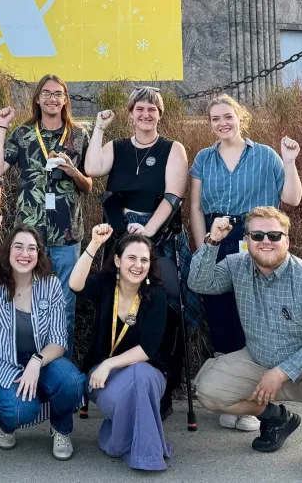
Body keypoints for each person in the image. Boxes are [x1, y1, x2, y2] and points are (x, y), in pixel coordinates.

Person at [189, 207, 302, 481]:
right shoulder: (238, 265)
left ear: (287, 240)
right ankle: (276, 418)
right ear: (247, 239)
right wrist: (212, 241)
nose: (266, 241)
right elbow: (199, 282)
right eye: (258, 235)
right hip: (258, 360)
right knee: (209, 393)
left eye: (274, 234)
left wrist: (281, 372)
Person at [188, 93, 302, 433]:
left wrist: (290, 161)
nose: (222, 123)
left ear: (240, 118)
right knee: (220, 312)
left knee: (253, 314)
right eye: (215, 118)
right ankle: (228, 395)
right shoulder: (203, 159)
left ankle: (254, 401)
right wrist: (202, 248)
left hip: (257, 241)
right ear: (209, 124)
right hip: (218, 238)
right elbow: (194, 207)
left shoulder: (266, 156)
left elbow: (292, 199)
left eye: (228, 116)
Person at [84, 86, 197, 415]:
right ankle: (116, 376)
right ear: (131, 113)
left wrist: (147, 233)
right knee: (114, 306)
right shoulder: (116, 147)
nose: (146, 114)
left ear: (160, 114)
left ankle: (163, 382)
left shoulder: (172, 149)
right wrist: (100, 128)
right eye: (140, 109)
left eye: (152, 109)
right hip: (119, 239)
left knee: (168, 305)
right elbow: (92, 169)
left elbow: (173, 195)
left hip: (159, 238)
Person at [0, 216, 86, 459]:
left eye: (32, 248)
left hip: (43, 360)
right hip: (3, 363)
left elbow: (58, 340)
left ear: (39, 254)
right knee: (19, 410)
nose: (25, 253)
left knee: (72, 383)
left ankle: (61, 428)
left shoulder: (50, 285)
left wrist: (36, 361)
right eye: (18, 247)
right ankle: (6, 424)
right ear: (8, 251)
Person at [0, 74, 91, 355]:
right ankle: (26, 363)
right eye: (46, 93)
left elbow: (88, 185)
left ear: (66, 99)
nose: (52, 98)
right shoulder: (23, 134)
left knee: (65, 306)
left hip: (66, 234)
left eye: (58, 93)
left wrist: (73, 171)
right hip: (29, 235)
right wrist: (1, 127)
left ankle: (61, 370)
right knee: (26, 302)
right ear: (37, 98)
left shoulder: (79, 134)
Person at [69, 223, 172, 472]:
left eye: (144, 260)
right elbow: (75, 284)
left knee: (140, 374)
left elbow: (147, 350)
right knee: (133, 385)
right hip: (103, 377)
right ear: (117, 260)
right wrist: (94, 244)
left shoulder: (156, 295)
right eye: (132, 258)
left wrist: (109, 363)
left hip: (146, 372)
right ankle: (120, 440)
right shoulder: (106, 286)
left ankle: (141, 453)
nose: (138, 265)